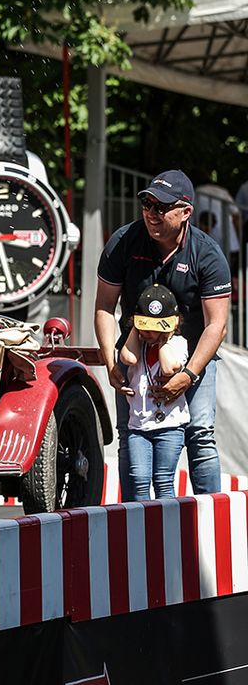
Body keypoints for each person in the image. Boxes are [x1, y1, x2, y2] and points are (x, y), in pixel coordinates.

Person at [95, 169, 231, 499]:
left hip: (194, 355)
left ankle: (209, 515)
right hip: (133, 352)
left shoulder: (208, 254)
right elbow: (103, 307)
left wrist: (188, 374)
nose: (151, 213)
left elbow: (217, 326)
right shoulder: (123, 242)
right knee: (128, 433)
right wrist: (110, 361)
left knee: (200, 433)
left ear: (185, 212)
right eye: (147, 204)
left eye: (161, 207)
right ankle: (129, 519)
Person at [117, 284, 189, 501]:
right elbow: (128, 359)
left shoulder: (178, 343)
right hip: (138, 427)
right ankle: (142, 532)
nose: (149, 333)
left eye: (155, 328)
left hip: (170, 427)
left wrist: (164, 338)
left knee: (163, 480)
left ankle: (167, 532)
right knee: (139, 480)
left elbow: (169, 368)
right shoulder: (138, 346)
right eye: (145, 327)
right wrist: (135, 329)